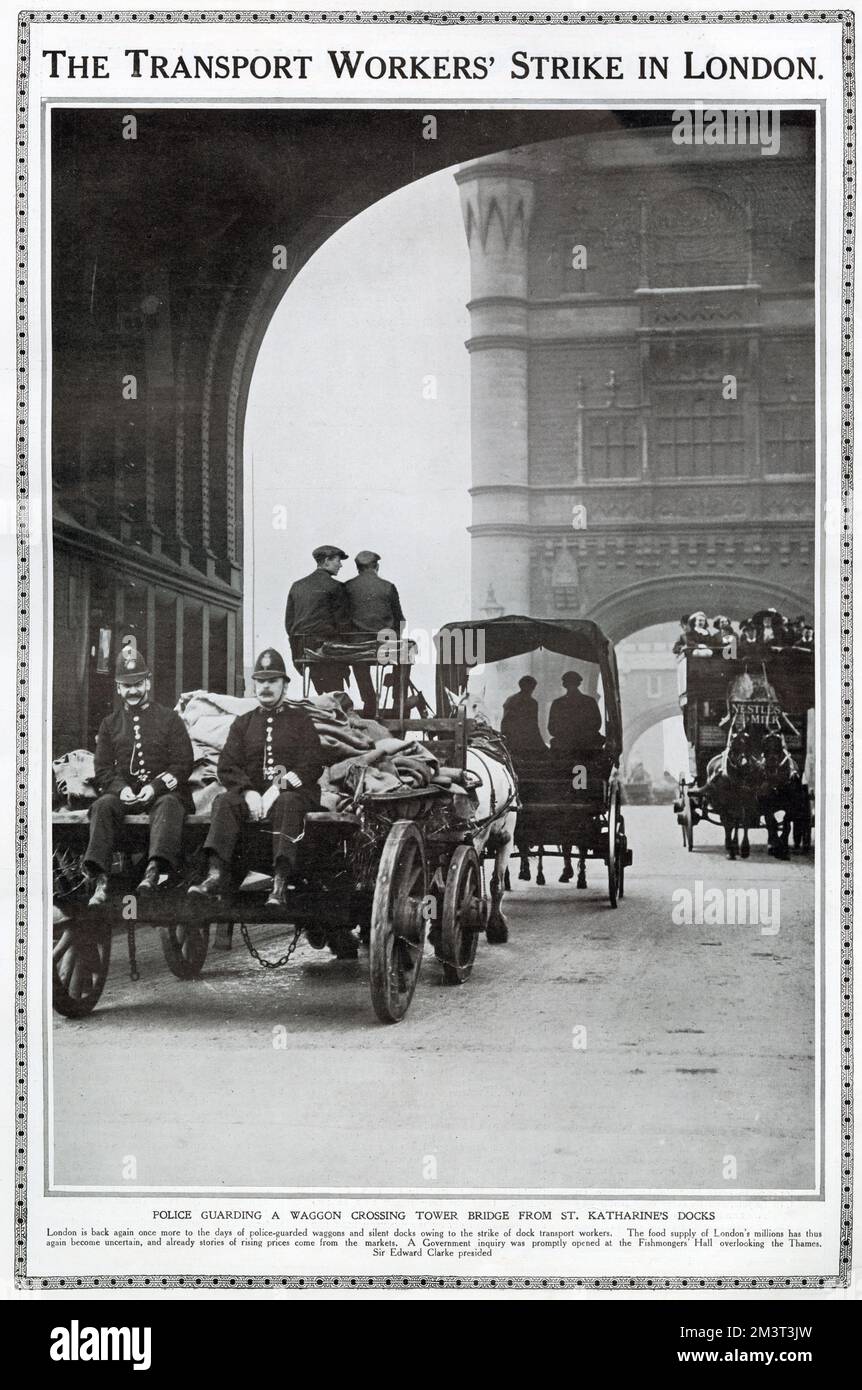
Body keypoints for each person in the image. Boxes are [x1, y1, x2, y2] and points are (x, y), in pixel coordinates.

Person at [188, 648, 324, 908]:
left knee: (289, 802)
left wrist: (279, 787)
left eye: (272, 681)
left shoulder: (300, 720)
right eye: (260, 681)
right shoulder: (243, 723)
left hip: (291, 798)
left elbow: (312, 763)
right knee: (224, 802)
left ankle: (280, 882)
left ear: (284, 685)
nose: (266, 687)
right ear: (254, 686)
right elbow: (227, 766)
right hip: (251, 799)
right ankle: (215, 874)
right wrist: (248, 792)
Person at [84, 644, 194, 906]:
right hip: (125, 797)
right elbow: (102, 770)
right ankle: (100, 880)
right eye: (126, 685)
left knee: (168, 804)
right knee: (102, 805)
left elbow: (183, 763)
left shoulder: (170, 719)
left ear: (147, 683)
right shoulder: (110, 724)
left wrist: (155, 787)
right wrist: (120, 789)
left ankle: (153, 871)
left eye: (137, 684)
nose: (132, 691)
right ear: (118, 688)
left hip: (162, 795)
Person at [343, 549, 407, 717]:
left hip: (357, 646)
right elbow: (400, 619)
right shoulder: (388, 587)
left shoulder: (346, 587)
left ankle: (369, 699)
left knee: (359, 661)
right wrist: (397, 638)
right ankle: (398, 702)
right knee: (406, 656)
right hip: (384, 645)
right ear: (376, 566)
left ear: (358, 568)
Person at [284, 545, 350, 695]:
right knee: (335, 694)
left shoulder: (297, 586)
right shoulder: (336, 587)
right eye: (338, 561)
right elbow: (343, 624)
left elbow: (289, 623)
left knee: (323, 692)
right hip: (328, 649)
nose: (340, 565)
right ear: (327, 561)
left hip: (302, 649)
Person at [547, 670, 603, 759]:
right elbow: (597, 724)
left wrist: (566, 735)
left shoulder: (557, 703)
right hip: (587, 747)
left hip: (565, 749)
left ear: (564, 685)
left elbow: (552, 728)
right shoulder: (589, 701)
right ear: (579, 683)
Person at [500, 675, 547, 757]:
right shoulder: (532, 703)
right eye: (532, 687)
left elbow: (505, 723)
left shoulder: (511, 700)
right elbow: (534, 726)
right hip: (524, 743)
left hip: (512, 741)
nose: (532, 690)